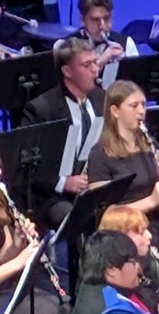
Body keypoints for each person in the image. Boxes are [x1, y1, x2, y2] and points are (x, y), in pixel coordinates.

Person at [22, 38, 103, 229]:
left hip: (94, 185)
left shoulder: (101, 97)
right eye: (86, 65)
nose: (95, 70)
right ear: (67, 71)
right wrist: (63, 183)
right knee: (82, 218)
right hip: (53, 195)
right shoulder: (41, 109)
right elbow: (27, 167)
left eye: (95, 63)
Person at [86, 80, 159, 220]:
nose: (141, 111)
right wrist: (151, 201)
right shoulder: (100, 155)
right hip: (123, 231)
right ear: (115, 111)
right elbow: (104, 213)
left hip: (154, 224)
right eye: (134, 106)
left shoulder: (151, 146)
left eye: (143, 105)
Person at [68, 0, 139, 71]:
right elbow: (73, 80)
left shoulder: (126, 43)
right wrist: (101, 61)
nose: (102, 26)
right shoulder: (67, 47)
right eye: (95, 20)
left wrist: (125, 65)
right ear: (82, 20)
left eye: (106, 18)